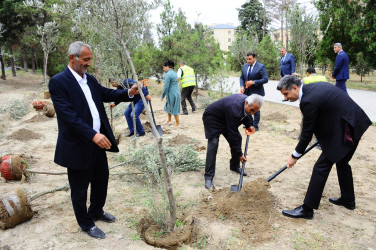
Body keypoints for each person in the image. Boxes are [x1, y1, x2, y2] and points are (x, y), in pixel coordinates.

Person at [49, 41, 139, 239]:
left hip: (98, 142)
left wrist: (128, 93)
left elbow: (106, 94)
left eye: (90, 59)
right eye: (85, 59)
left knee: (101, 179)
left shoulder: (89, 79)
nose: (89, 63)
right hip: (78, 145)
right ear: (72, 58)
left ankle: (96, 211)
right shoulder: (58, 82)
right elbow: (68, 116)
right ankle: (86, 223)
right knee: (80, 188)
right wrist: (92, 134)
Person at [277, 75, 371, 219]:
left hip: (347, 129)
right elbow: (326, 114)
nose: (286, 97)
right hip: (353, 122)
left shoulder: (308, 100)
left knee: (321, 167)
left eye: (286, 94)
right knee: (342, 162)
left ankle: (307, 209)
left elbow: (306, 134)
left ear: (295, 88)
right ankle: (348, 200)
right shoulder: (314, 87)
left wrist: (294, 156)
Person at [202, 94, 263, 189]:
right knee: (214, 143)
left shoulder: (247, 103)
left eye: (255, 111)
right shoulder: (234, 109)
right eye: (252, 110)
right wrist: (240, 153)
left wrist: (249, 125)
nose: (252, 113)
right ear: (246, 103)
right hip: (212, 118)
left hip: (226, 117)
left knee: (238, 138)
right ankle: (208, 176)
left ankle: (234, 166)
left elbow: (246, 114)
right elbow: (232, 134)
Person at [239, 52, 268, 131]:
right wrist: (242, 86)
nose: (248, 61)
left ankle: (255, 126)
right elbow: (241, 77)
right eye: (247, 59)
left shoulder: (261, 67)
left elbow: (265, 79)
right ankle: (249, 124)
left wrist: (254, 82)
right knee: (247, 107)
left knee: (255, 109)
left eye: (250, 59)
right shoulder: (245, 66)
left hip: (256, 92)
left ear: (255, 58)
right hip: (246, 91)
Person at [161, 60, 180, 127]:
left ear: (168, 67)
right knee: (168, 105)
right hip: (177, 91)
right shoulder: (174, 73)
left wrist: (162, 95)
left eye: (164, 66)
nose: (163, 68)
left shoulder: (168, 74)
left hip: (172, 92)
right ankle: (169, 120)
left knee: (174, 107)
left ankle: (177, 124)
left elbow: (166, 86)